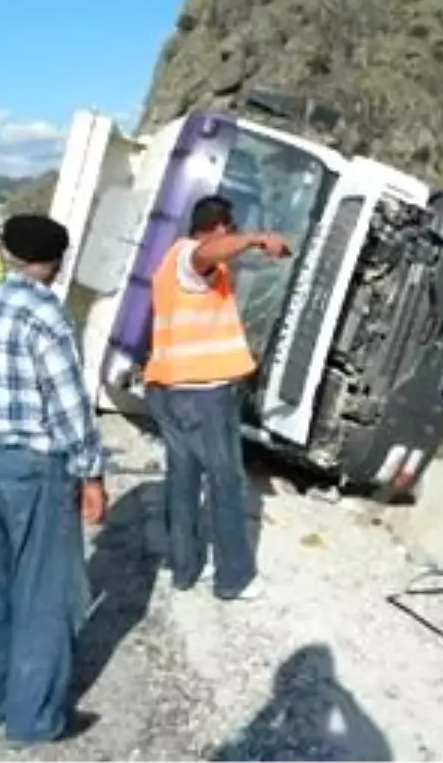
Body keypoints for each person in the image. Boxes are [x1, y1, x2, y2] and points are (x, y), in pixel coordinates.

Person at [0, 213, 106, 747]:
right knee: (42, 594)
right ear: (54, 264)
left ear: (8, 252)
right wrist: (91, 473)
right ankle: (32, 722)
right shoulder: (44, 315)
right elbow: (70, 406)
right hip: (34, 470)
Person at [143, 195, 291, 601]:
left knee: (183, 479)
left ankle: (185, 567)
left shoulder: (171, 267)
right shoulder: (191, 257)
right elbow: (207, 252)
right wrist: (258, 237)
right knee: (226, 483)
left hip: (171, 391)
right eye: (232, 229)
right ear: (220, 227)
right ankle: (233, 578)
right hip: (204, 396)